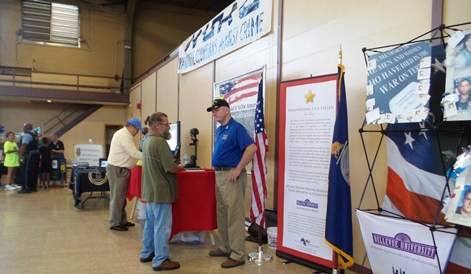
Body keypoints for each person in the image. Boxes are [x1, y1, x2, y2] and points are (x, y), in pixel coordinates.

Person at [206, 99, 257, 269]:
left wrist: (238, 169)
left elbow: (251, 148)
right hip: (220, 174)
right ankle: (226, 246)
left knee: (234, 215)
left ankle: (237, 254)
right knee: (222, 213)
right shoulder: (221, 130)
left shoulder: (236, 128)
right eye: (212, 111)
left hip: (231, 176)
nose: (214, 114)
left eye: (216, 110)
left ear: (227, 110)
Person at [139, 112, 184, 271]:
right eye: (166, 124)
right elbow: (170, 168)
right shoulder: (160, 143)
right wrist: (181, 167)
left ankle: (147, 252)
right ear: (157, 125)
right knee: (162, 227)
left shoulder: (147, 141)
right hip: (162, 192)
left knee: (150, 225)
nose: (169, 127)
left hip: (150, 191)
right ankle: (160, 259)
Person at [107, 118, 143, 231]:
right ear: (131, 127)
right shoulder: (124, 136)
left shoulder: (122, 133)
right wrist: (151, 156)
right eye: (137, 130)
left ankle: (121, 220)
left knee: (121, 196)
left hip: (119, 168)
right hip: (118, 169)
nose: (137, 132)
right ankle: (115, 223)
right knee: (117, 197)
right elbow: (133, 153)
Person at [16, 123, 39, 194]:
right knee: (34, 171)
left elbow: (24, 145)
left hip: (29, 155)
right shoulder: (35, 135)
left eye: (23, 127)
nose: (23, 129)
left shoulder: (26, 135)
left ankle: (26, 188)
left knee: (26, 171)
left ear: (26, 128)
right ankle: (33, 187)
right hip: (35, 154)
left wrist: (20, 155)